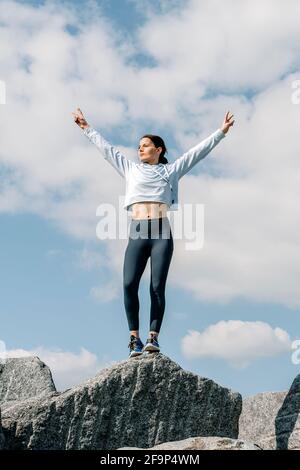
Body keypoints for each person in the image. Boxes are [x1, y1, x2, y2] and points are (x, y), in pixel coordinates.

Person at [72, 108, 234, 358]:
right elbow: (107, 150)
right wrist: (86, 127)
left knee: (157, 287)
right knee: (128, 284)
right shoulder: (130, 168)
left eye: (145, 145)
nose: (140, 149)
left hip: (161, 232)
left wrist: (220, 133)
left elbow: (196, 153)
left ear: (158, 149)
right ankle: (134, 339)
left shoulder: (170, 172)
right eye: (139, 146)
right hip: (137, 231)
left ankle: (153, 338)